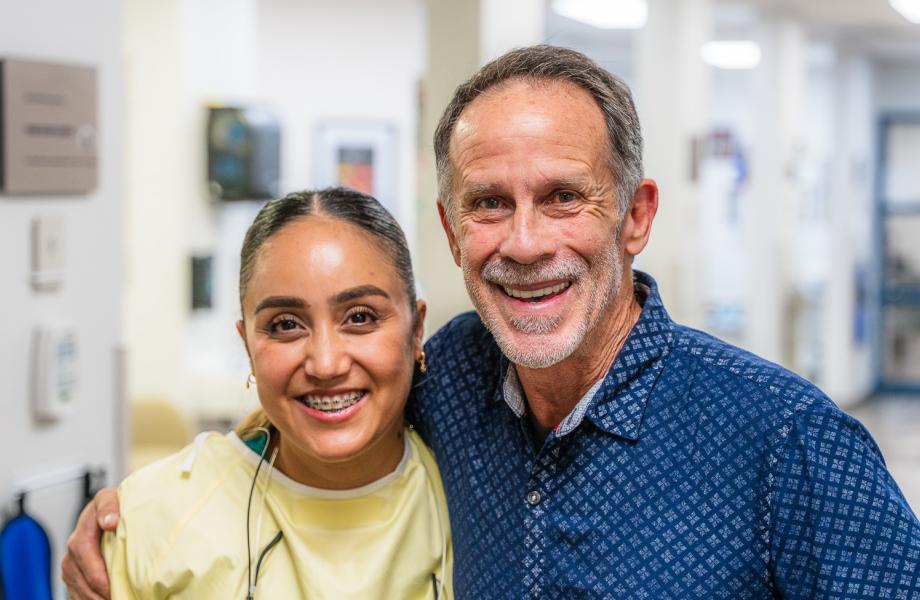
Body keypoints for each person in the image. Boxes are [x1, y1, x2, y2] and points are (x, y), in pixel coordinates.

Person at [65, 46, 920, 599]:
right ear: (450, 231)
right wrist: (141, 513)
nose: (524, 243)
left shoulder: (787, 441)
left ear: (636, 215)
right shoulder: (451, 376)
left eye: (563, 197)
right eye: (488, 204)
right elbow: (326, 398)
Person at [81, 188, 451, 599]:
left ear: (416, 330)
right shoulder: (153, 518)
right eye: (286, 325)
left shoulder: (475, 504)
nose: (325, 364)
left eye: (360, 317)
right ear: (247, 346)